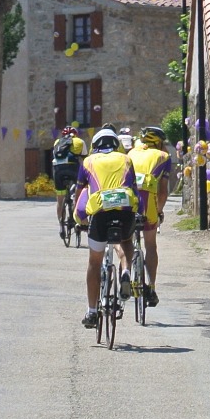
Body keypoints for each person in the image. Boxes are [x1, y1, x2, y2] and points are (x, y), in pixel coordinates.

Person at [74, 129, 138, 328]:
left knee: (95, 262)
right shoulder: (126, 159)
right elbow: (134, 188)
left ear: (95, 145)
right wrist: (140, 213)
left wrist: (79, 218)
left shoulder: (88, 162)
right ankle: (126, 271)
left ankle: (92, 311)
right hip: (125, 209)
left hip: (101, 211)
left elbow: (80, 191)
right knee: (126, 240)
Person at [127, 128, 174, 307]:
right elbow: (162, 191)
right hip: (147, 200)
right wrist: (160, 211)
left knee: (127, 240)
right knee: (150, 245)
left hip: (128, 199)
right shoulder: (163, 157)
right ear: (160, 142)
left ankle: (127, 273)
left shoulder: (130, 153)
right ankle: (152, 287)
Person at [50, 125, 86, 237]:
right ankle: (76, 219)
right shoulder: (80, 141)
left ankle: (61, 225)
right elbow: (85, 158)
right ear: (76, 134)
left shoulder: (57, 142)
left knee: (60, 200)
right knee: (78, 193)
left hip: (58, 171)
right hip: (73, 169)